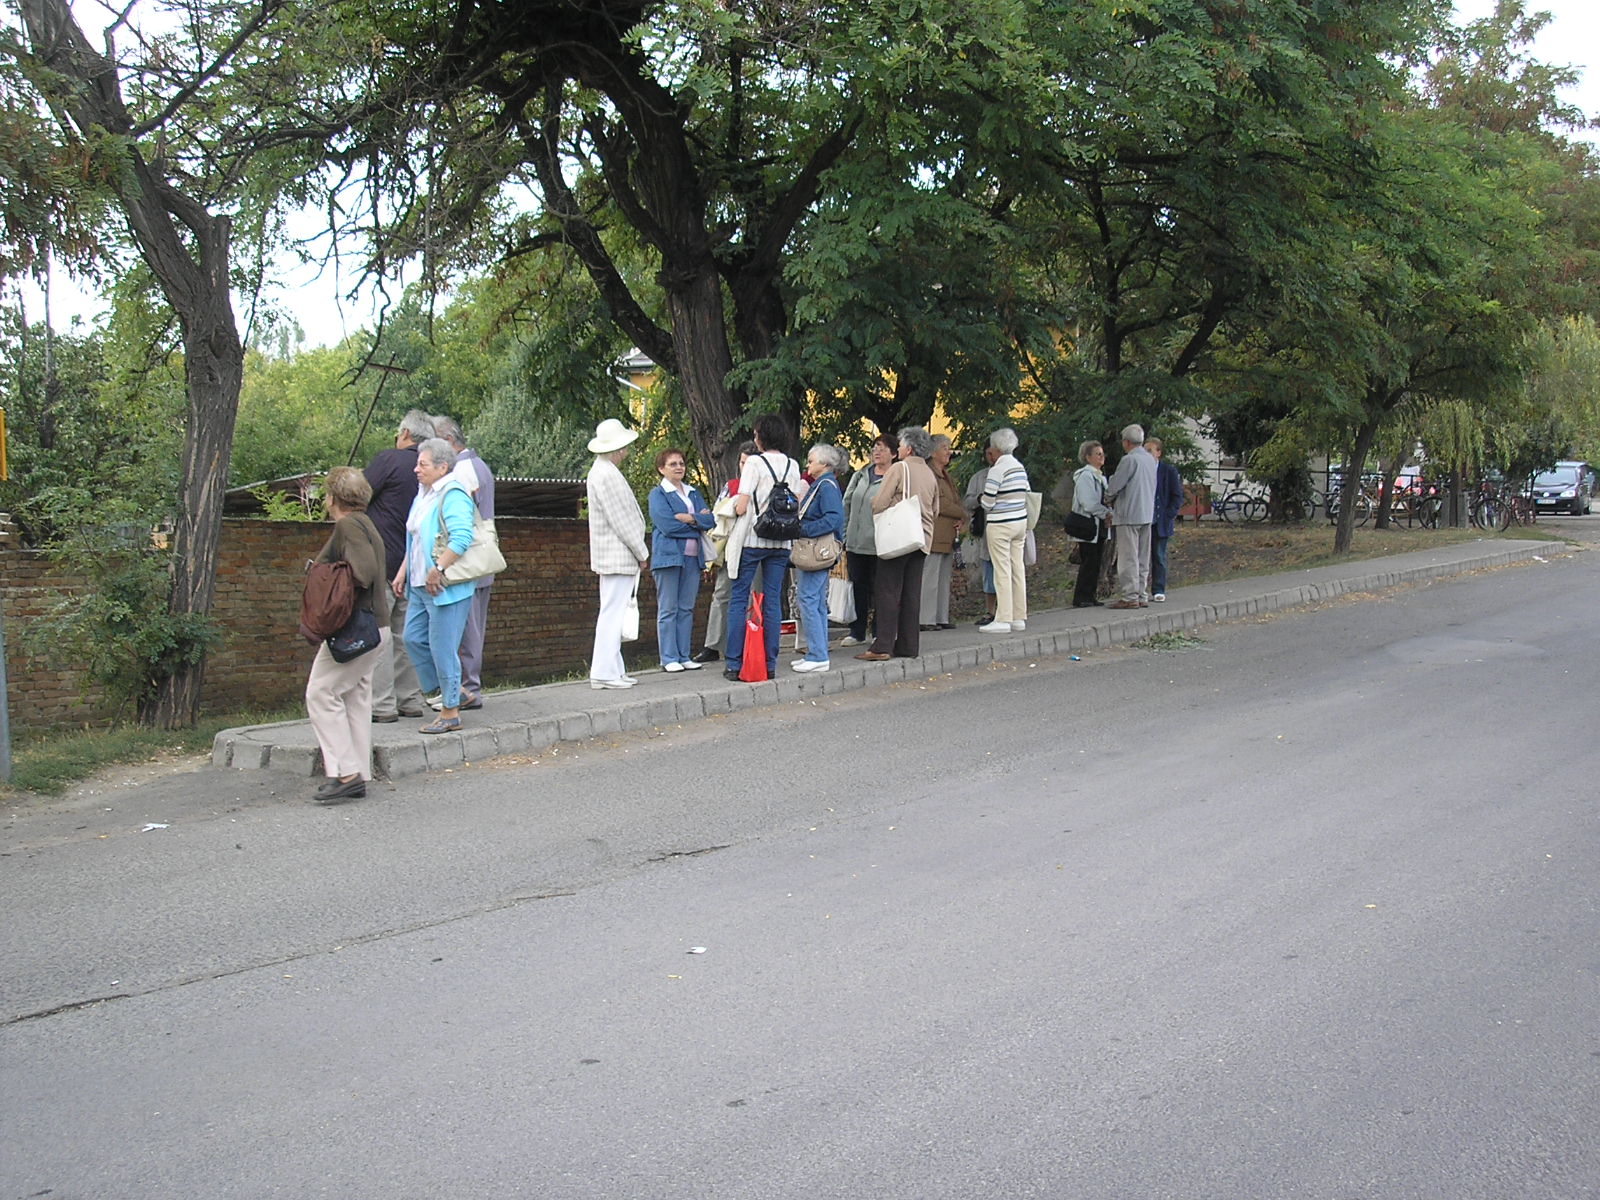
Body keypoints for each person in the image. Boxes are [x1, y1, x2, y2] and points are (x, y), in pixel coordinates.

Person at [304, 467, 390, 803]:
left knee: (321, 693)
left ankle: (345, 773)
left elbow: (363, 571)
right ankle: (358, 772)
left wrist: (328, 579)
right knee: (354, 695)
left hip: (356, 630)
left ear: (332, 498)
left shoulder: (348, 525)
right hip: (377, 628)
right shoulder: (368, 524)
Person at [396, 438, 478, 732]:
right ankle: (452, 692)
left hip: (444, 587)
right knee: (412, 639)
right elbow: (416, 538)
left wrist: (438, 569)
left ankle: (450, 712)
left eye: (423, 464)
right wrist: (403, 572)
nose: (416, 469)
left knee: (443, 649)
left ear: (443, 467)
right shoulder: (424, 493)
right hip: (419, 585)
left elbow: (461, 538)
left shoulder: (453, 493)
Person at [363, 409, 433, 722]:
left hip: (382, 560)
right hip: (415, 563)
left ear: (405, 433)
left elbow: (357, 496)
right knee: (408, 635)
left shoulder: (389, 460)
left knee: (381, 634)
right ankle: (411, 700)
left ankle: (381, 705)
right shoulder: (433, 471)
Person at [723, 414, 804, 681]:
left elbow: (742, 504)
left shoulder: (754, 463)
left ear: (760, 436)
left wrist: (730, 508)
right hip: (781, 540)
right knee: (772, 602)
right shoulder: (793, 465)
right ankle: (769, 663)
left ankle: (734, 663)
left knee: (739, 598)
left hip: (753, 539)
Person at [858, 426, 938, 661]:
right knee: (911, 593)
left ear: (909, 448)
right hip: (921, 539)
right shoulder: (930, 473)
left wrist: (876, 504)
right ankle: (908, 644)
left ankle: (883, 644)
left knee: (888, 590)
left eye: (901, 445)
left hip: (899, 536)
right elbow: (935, 509)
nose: (900, 448)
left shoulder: (899, 468)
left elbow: (880, 502)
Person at [431, 415, 493, 708]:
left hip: (466, 563)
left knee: (466, 630)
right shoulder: (479, 466)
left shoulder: (461, 472)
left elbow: (461, 525)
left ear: (447, 441)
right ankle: (468, 687)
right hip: (481, 561)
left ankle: (468, 688)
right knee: (472, 627)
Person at [585, 418, 650, 689]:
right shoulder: (606, 474)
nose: (626, 451)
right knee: (612, 612)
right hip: (617, 555)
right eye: (623, 447)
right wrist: (641, 550)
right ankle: (603, 671)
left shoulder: (603, 471)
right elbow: (620, 519)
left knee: (614, 610)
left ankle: (613, 669)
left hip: (613, 555)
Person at [649, 448, 713, 672]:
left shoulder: (693, 492)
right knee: (668, 608)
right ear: (661, 469)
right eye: (673, 464)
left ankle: (684, 655)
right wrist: (697, 523)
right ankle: (668, 658)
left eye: (681, 463)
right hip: (668, 559)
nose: (679, 467)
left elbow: (711, 519)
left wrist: (690, 519)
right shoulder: (658, 495)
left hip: (694, 558)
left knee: (686, 608)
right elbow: (667, 525)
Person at [694, 441, 757, 664]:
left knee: (754, 597)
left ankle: (752, 643)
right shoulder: (732, 486)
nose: (744, 467)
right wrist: (713, 557)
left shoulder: (766, 485)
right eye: (742, 462)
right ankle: (713, 645)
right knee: (722, 595)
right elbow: (716, 519)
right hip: (730, 548)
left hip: (757, 547)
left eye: (749, 463)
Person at [791, 443, 847, 672]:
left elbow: (833, 519)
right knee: (816, 601)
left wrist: (802, 530)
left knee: (808, 598)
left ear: (825, 464)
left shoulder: (826, 486)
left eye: (811, 460)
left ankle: (817, 655)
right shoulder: (824, 485)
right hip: (819, 551)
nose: (808, 464)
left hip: (816, 551)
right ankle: (819, 652)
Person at [841, 433, 896, 646]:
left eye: (882, 448)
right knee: (858, 587)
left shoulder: (894, 477)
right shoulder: (861, 474)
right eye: (875, 447)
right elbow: (847, 503)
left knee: (880, 588)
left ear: (893, 453)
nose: (877, 452)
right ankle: (857, 631)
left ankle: (879, 631)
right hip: (855, 543)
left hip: (880, 544)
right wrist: (845, 534)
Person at [979, 427, 1030, 633]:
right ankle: (1019, 616)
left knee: (1001, 570)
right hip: (1020, 522)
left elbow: (988, 502)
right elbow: (1026, 492)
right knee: (1017, 568)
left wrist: (983, 499)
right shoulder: (1019, 467)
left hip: (1001, 524)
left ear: (996, 447)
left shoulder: (997, 469)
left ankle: (1003, 618)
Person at [1104, 423, 1157, 609]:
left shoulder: (1129, 460)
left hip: (1129, 514)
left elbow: (1116, 484)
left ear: (1126, 442)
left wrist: (1108, 497)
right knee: (1143, 556)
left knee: (1128, 557)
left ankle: (1129, 596)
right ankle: (1142, 593)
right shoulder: (1150, 459)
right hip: (1146, 513)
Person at [921, 434, 965, 631]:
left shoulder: (946, 474)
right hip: (934, 533)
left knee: (943, 576)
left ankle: (940, 616)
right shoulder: (928, 473)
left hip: (947, 534)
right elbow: (941, 502)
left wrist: (961, 519)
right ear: (933, 451)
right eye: (945, 447)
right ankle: (926, 619)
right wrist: (963, 513)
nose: (949, 451)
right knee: (930, 577)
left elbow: (955, 500)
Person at [1069, 440, 1111, 608]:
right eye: (1097, 454)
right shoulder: (1086, 476)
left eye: (1102, 454)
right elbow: (1089, 502)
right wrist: (1105, 513)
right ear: (1088, 457)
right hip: (1088, 524)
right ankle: (1082, 596)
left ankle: (1090, 594)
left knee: (1096, 561)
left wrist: (1109, 514)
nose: (1101, 457)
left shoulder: (1101, 477)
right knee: (1089, 560)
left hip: (1100, 525)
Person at [963, 442, 1000, 625]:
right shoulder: (979, 477)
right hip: (986, 530)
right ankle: (990, 611)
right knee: (988, 571)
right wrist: (979, 499)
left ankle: (1008, 609)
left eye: (994, 453)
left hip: (1006, 529)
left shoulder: (1012, 474)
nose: (991, 457)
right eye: (988, 453)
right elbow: (968, 501)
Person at [1147, 435, 1182, 602]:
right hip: (1145, 519)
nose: (1146, 454)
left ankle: (1158, 588)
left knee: (1159, 556)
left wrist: (1169, 514)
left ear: (1158, 452)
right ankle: (1141, 589)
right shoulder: (1141, 469)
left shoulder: (1168, 471)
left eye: (1150, 451)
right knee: (1142, 556)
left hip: (1161, 520)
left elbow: (1176, 496)